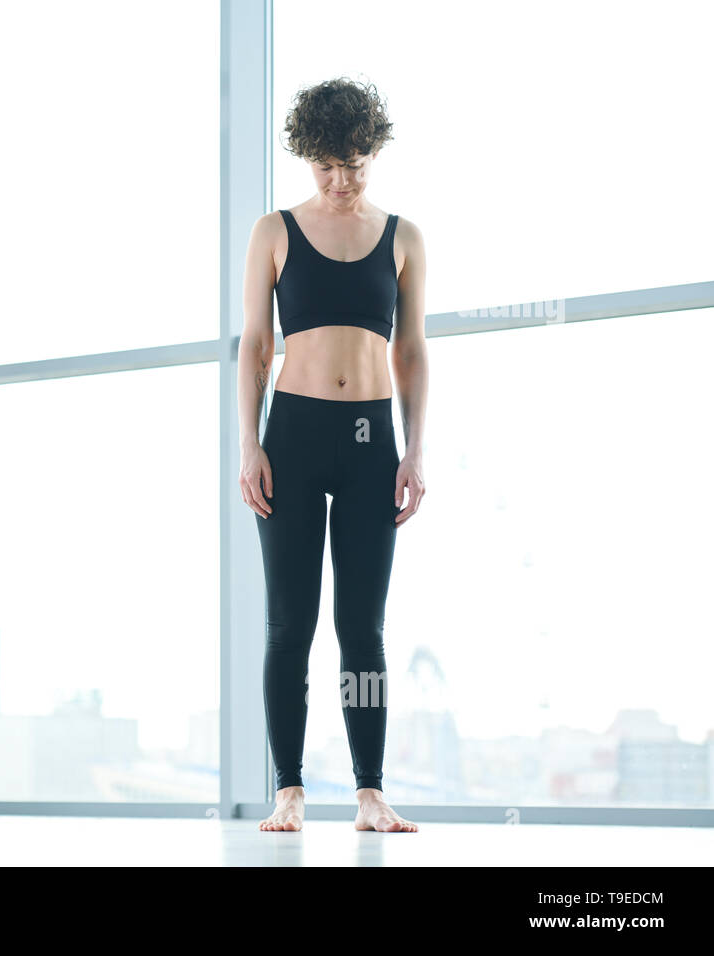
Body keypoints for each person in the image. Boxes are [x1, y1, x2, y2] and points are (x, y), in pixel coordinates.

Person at [238, 77, 427, 833]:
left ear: (372, 150)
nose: (341, 180)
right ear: (305, 156)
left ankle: (370, 791)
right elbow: (255, 345)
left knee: (363, 626)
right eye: (325, 165)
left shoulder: (403, 236)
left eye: (353, 163)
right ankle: (288, 788)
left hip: (370, 443)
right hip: (293, 435)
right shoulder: (274, 230)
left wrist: (414, 454)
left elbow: (411, 351)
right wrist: (248, 442)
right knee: (291, 623)